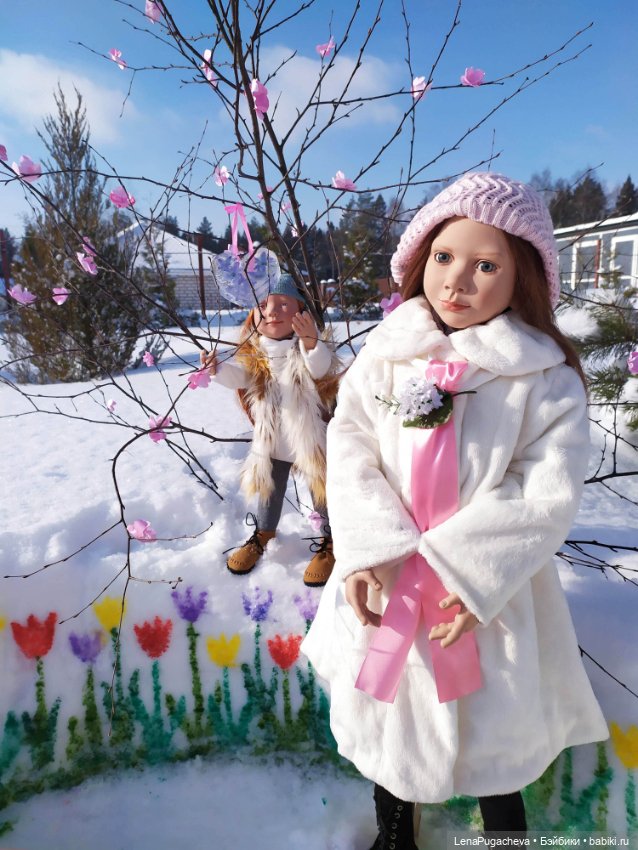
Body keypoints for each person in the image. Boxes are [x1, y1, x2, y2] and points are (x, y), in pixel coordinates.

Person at [301, 173, 608, 847]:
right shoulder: (385, 355)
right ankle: (393, 834)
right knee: (389, 715)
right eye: (443, 257)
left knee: (494, 728)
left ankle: (506, 836)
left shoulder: (542, 377)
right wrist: (368, 550)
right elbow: (350, 448)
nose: (456, 280)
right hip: (386, 585)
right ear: (418, 261)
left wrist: (469, 572)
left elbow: (544, 489)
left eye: (485, 264)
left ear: (521, 275)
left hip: (487, 593)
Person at [201, 274, 341, 586]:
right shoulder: (257, 356)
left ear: (301, 313)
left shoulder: (307, 349)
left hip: (310, 439)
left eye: (283, 305)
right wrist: (216, 369)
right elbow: (240, 379)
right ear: (253, 316)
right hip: (274, 440)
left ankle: (332, 539)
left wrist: (310, 342)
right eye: (264, 306)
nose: (272, 311)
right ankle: (262, 533)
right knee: (269, 489)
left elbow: (320, 367)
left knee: (322, 492)